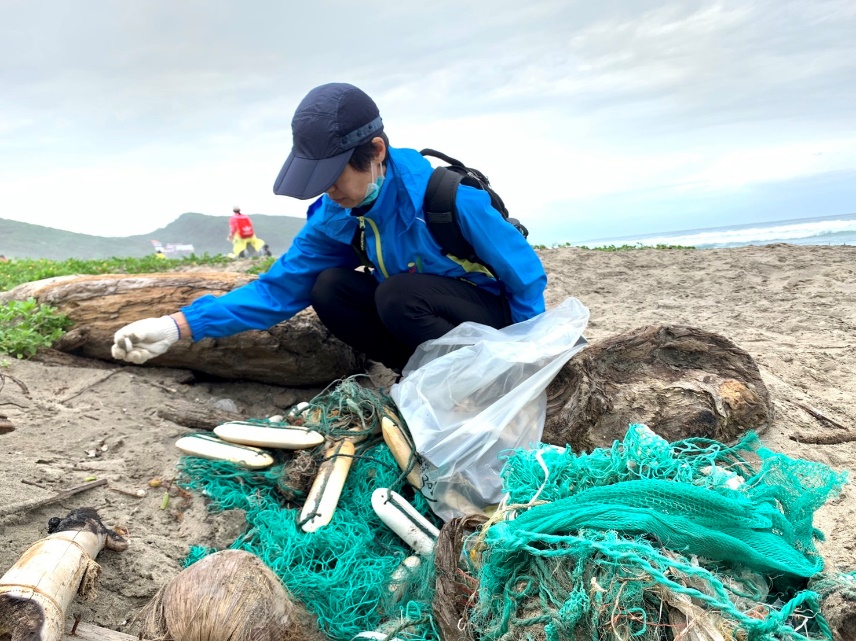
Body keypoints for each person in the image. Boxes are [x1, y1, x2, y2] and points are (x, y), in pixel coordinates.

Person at [111, 83, 547, 371]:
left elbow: (524, 276)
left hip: (492, 320)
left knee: (399, 295)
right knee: (329, 287)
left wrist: (527, 357)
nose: (329, 191)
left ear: (375, 151)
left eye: (334, 175)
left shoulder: (448, 198)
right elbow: (277, 291)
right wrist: (175, 327)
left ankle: (475, 380)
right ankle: (417, 375)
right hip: (423, 321)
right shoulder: (338, 216)